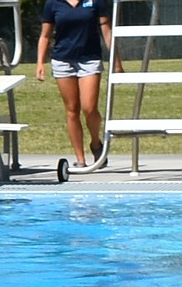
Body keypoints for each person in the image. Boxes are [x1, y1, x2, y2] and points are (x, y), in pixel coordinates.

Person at [36, 0, 122, 168]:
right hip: (62, 60)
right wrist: (40, 62)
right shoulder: (53, 4)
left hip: (89, 59)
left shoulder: (95, 2)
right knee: (71, 110)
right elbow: (45, 35)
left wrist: (116, 61)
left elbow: (107, 30)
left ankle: (96, 143)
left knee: (89, 108)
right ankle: (80, 159)